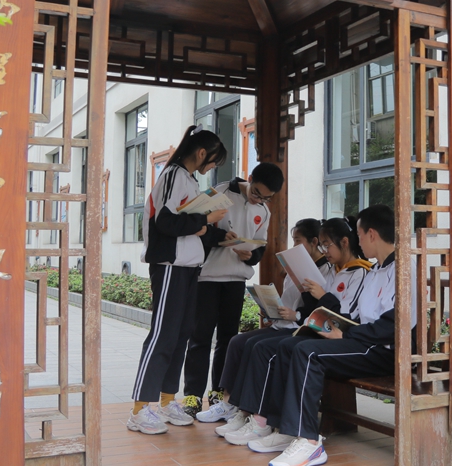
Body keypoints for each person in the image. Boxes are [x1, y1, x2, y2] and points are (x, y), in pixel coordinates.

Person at [265, 205, 413, 466]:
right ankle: (286, 429)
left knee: (309, 353)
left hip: (384, 350)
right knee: (291, 345)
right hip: (364, 340)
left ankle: (309, 442)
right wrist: (332, 325)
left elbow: (394, 326)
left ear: (371, 234)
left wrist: (345, 333)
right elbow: (356, 315)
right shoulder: (376, 270)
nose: (357, 241)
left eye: (359, 235)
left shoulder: (403, 269)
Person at [217, 216, 373, 450]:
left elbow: (344, 316)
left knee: (272, 349)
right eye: (322, 245)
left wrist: (317, 301)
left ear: (344, 242)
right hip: (315, 329)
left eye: (327, 245)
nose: (325, 251)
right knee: (251, 344)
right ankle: (253, 414)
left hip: (335, 336)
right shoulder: (339, 270)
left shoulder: (359, 272)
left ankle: (268, 421)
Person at [126, 126, 230, 435]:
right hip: (170, 266)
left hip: (188, 267)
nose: (212, 167)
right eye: (213, 161)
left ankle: (167, 400)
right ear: (202, 153)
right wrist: (204, 220)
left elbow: (189, 226)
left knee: (181, 333)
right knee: (163, 334)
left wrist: (219, 235)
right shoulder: (172, 174)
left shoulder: (189, 179)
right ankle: (139, 409)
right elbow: (166, 221)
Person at [192, 218, 334, 424]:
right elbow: (289, 299)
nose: (294, 245)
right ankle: (228, 403)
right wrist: (273, 312)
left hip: (299, 327)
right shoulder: (294, 267)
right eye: (293, 240)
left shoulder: (326, 271)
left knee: (255, 346)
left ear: (314, 242)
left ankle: (248, 410)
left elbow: (320, 308)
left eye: (298, 240)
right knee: (236, 342)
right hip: (283, 323)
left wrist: (296, 315)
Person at [183, 162, 286, 417]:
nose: (259, 199)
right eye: (257, 192)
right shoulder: (219, 192)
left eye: (266, 197)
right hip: (207, 277)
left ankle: (218, 392)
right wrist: (219, 238)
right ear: (249, 178)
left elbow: (260, 247)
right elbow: (193, 226)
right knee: (200, 337)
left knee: (228, 339)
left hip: (236, 279)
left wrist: (250, 256)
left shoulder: (264, 211)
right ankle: (192, 395)